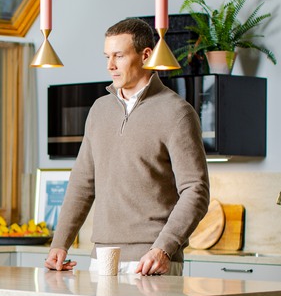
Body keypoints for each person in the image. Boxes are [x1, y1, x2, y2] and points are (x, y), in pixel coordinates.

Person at [45, 18, 210, 275]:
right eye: (107, 56)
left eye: (119, 56)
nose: (110, 65)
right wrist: (60, 243)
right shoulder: (99, 110)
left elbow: (195, 191)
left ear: (145, 55)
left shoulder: (176, 112)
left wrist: (164, 248)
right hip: (102, 258)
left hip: (152, 260)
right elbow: (82, 184)